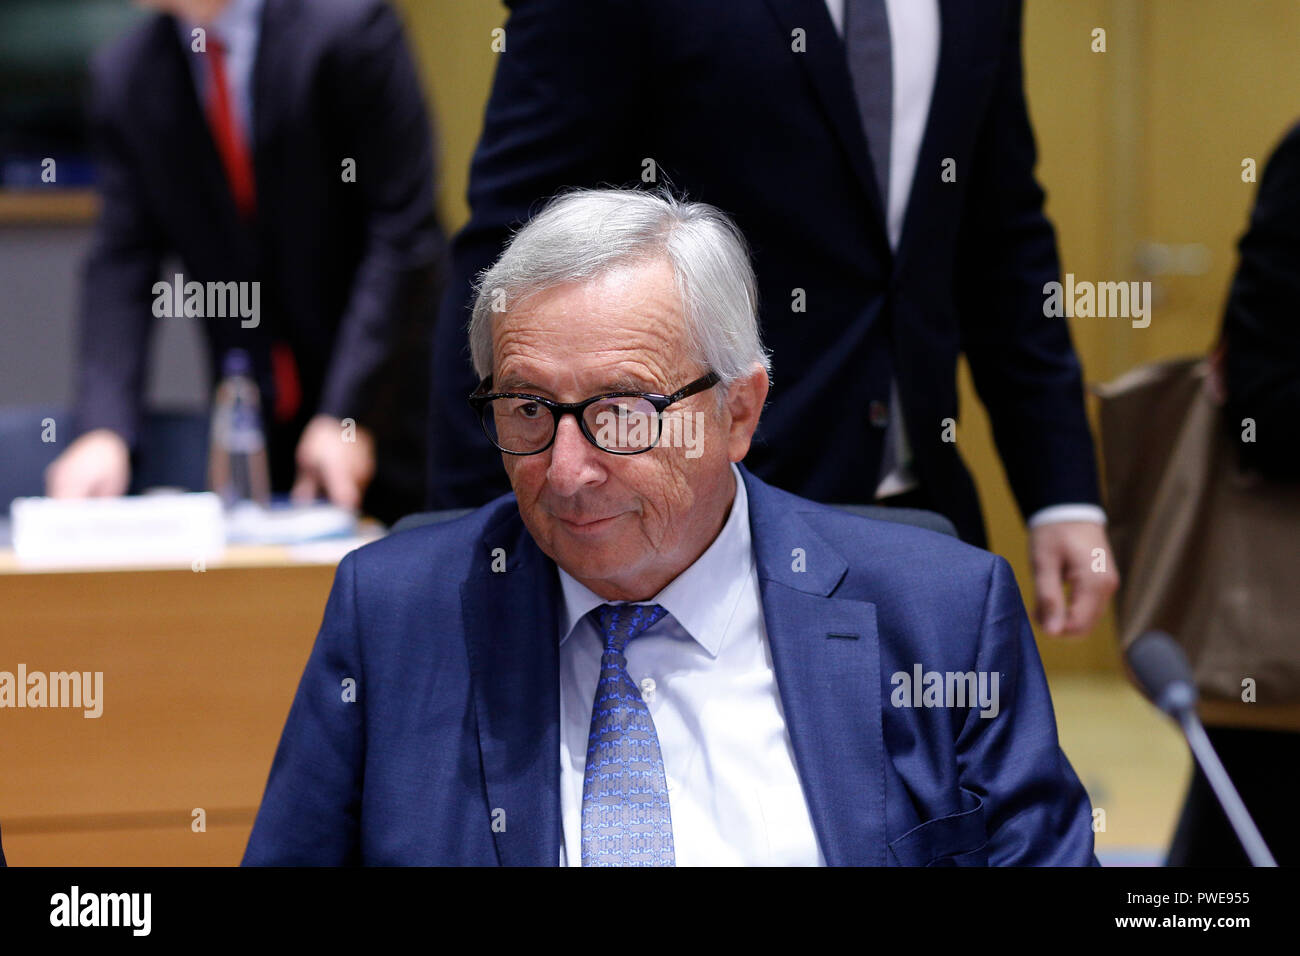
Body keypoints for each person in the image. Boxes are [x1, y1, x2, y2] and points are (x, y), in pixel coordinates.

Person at [245, 189, 1097, 866]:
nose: (568, 469)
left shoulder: (942, 615)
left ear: (740, 410)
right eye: (529, 409)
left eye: (622, 412)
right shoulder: (394, 612)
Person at [427, 0, 1118, 636]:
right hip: (688, 528)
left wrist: (1061, 492)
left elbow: (1001, 238)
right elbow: (511, 251)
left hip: (917, 510)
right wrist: (467, 542)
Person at [44, 0, 443, 524]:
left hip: (396, 399)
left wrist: (349, 415)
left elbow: (404, 234)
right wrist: (105, 428)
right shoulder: (128, 72)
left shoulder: (350, 27)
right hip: (255, 422)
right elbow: (121, 263)